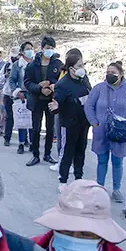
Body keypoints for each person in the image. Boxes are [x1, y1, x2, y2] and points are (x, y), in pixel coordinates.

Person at [85, 61, 126, 203]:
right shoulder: (98, 88)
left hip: (120, 131)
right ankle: (99, 187)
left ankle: (116, 189)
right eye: (107, 72)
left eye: (113, 73)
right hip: (101, 130)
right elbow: (89, 106)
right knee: (102, 160)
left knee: (117, 160)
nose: (109, 75)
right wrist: (94, 122)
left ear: (121, 74)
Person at [51, 49, 92, 187]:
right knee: (68, 151)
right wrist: (55, 105)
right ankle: (62, 180)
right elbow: (57, 102)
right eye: (79, 66)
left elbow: (90, 93)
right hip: (69, 123)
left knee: (81, 151)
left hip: (83, 123)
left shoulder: (84, 80)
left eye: (83, 65)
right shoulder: (62, 84)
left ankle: (78, 178)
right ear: (71, 68)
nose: (82, 68)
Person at [24, 36, 63, 166]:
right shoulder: (32, 65)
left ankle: (47, 154)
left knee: (50, 129)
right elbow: (27, 83)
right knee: (36, 128)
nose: (49, 51)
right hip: (37, 100)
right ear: (42, 48)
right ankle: (35, 155)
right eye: (47, 48)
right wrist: (39, 88)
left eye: (52, 48)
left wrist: (52, 87)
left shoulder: (58, 64)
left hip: (51, 101)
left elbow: (62, 81)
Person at [6, 42, 35, 152]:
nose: (30, 51)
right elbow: (12, 80)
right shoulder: (17, 65)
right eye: (27, 49)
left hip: (33, 94)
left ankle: (32, 143)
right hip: (21, 95)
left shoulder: (35, 64)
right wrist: (17, 92)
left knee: (33, 121)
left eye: (31, 48)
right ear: (22, 52)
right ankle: (21, 144)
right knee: (22, 120)